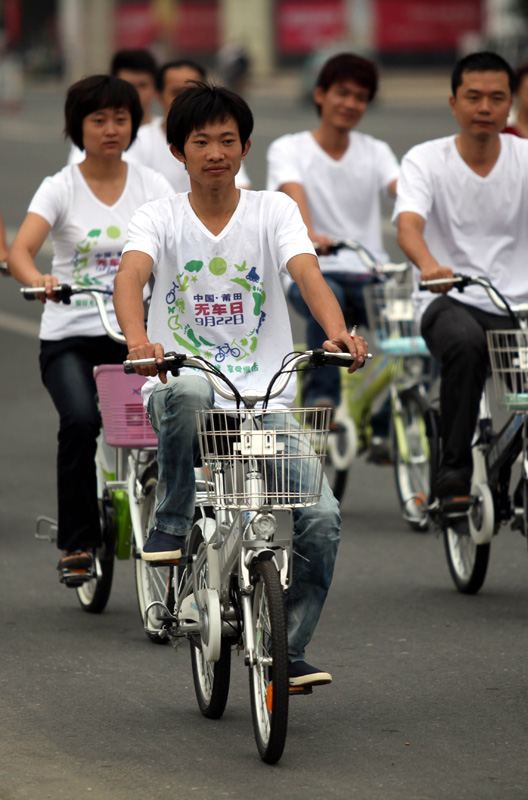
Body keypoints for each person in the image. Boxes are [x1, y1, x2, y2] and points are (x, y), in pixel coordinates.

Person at [113, 83, 368, 686]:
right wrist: (138, 343)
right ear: (178, 151)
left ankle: (289, 646)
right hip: (181, 390)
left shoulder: (273, 209)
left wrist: (335, 331)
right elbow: (131, 279)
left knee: (323, 517)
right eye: (201, 141)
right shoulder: (158, 216)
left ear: (245, 145)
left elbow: (306, 271)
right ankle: (173, 515)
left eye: (228, 140)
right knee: (194, 391)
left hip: (263, 401)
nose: (215, 152)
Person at [394, 51, 528, 504]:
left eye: (496, 98)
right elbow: (408, 225)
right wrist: (429, 265)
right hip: (447, 299)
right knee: (466, 347)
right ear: (454, 103)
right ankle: (452, 472)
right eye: (473, 97)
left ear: (510, 105)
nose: (485, 108)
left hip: (519, 307)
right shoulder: (425, 160)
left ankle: (527, 470)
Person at [8, 75, 173, 578]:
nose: (110, 129)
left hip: (135, 334)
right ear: (77, 126)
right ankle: (77, 543)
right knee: (80, 422)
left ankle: (176, 525)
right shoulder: (60, 187)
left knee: (175, 421)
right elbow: (20, 250)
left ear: (134, 123)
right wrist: (39, 280)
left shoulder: (152, 184)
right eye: (98, 119)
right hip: (70, 335)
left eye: (120, 119)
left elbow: (177, 243)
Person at [266, 53, 398, 456]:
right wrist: (308, 233)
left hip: (370, 272)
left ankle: (386, 424)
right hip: (315, 270)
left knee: (425, 329)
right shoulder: (289, 149)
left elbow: (404, 193)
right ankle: (321, 402)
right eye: (342, 93)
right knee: (329, 297)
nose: (351, 103)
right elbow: (293, 190)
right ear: (320, 94)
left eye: (360, 97)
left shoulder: (376, 151)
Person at [130, 59, 251, 191]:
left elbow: (241, 188)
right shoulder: (138, 140)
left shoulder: (222, 141)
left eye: (193, 92)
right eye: (201, 142)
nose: (215, 156)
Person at [68, 49, 158, 165]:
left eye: (142, 85)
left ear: (156, 88)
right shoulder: (93, 139)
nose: (135, 93)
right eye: (128, 86)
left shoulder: (166, 133)